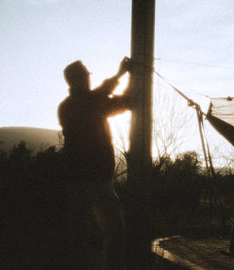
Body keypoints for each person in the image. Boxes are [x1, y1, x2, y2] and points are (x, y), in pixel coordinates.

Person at [58, 57, 131, 269]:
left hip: (101, 179)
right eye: (85, 76)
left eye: (88, 76)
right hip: (80, 181)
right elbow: (95, 101)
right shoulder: (71, 106)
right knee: (79, 236)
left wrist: (131, 80)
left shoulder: (92, 104)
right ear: (74, 80)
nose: (88, 79)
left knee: (115, 230)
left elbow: (123, 103)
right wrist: (120, 74)